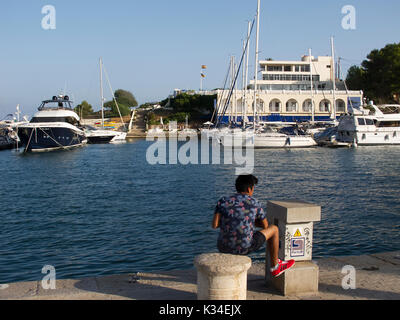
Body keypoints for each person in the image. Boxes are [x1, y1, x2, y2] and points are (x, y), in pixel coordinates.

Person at [212, 174, 295, 277]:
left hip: (223, 247)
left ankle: (276, 265)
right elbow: (265, 226)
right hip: (244, 248)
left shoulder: (223, 200)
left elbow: (214, 225)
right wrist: (250, 222)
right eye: (253, 188)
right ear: (249, 188)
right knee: (274, 229)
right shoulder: (254, 202)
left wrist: (232, 221)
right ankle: (275, 266)